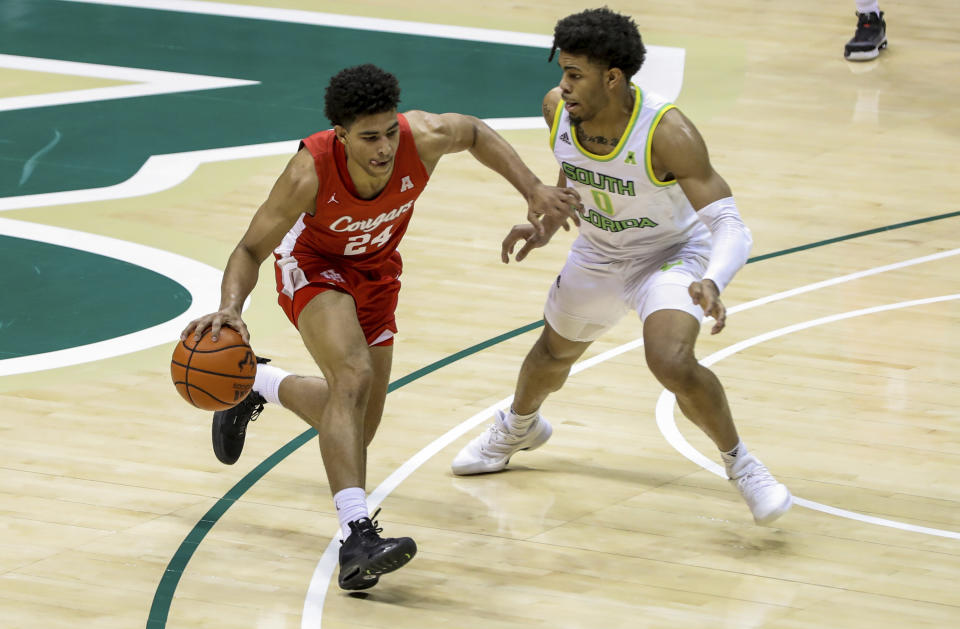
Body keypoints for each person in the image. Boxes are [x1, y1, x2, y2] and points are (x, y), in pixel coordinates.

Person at [181, 64, 581, 590]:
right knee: (352, 377)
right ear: (341, 135)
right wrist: (232, 307)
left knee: (355, 427)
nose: (385, 147)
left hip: (376, 270)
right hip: (312, 265)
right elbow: (250, 248)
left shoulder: (424, 137)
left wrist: (530, 186)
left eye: (390, 132)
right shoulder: (310, 170)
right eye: (369, 137)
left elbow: (476, 132)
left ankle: (255, 384)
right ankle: (357, 536)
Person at [451, 8, 793, 527]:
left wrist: (712, 279)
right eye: (562, 72)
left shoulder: (666, 131)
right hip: (598, 250)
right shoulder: (557, 111)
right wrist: (548, 220)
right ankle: (519, 426)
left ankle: (742, 465)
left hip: (672, 254)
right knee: (551, 354)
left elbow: (730, 223)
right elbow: (576, 173)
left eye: (574, 75)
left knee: (671, 361)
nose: (561, 87)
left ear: (612, 78)